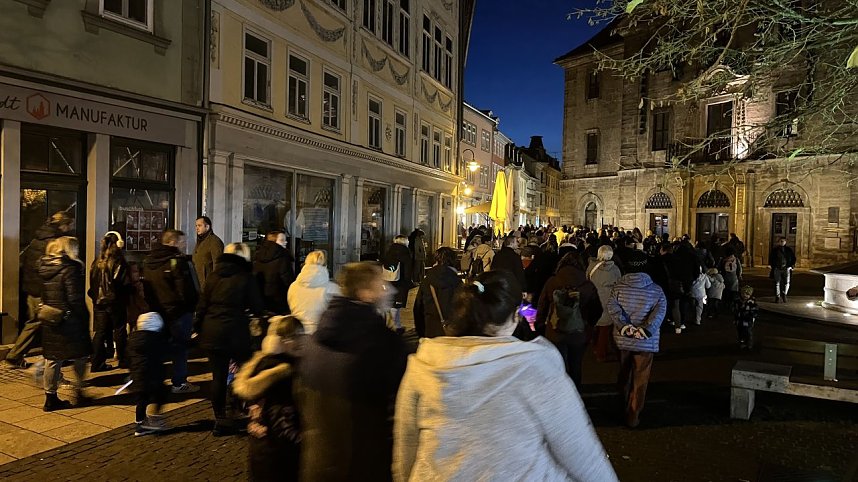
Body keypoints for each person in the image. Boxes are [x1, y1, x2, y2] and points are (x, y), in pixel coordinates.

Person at [393, 271, 618, 481]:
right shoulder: (534, 365)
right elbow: (577, 448)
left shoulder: (424, 363)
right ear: (513, 316)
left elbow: (407, 444)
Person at [297, 262, 407, 481]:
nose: (390, 290)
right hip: (365, 463)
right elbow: (399, 409)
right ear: (365, 294)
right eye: (382, 286)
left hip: (320, 464)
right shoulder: (382, 343)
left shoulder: (313, 342)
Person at [196, 243, 266, 435]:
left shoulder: (213, 276)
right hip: (235, 332)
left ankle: (220, 419)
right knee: (247, 369)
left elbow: (202, 305)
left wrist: (197, 327)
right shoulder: (245, 277)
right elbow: (257, 306)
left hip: (213, 331)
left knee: (217, 377)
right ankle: (244, 408)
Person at [233, 316, 304, 482]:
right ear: (282, 341)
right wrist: (310, 443)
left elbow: (239, 400)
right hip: (280, 456)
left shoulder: (258, 366)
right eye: (295, 337)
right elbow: (283, 422)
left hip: (259, 452)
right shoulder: (285, 374)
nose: (300, 341)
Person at [4, 212, 74, 369]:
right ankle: (58, 356)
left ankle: (15, 355)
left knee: (34, 323)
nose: (70, 229)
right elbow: (49, 268)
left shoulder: (37, 238)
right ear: (63, 225)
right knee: (53, 322)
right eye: (69, 225)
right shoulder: (54, 242)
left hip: (32, 289)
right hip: (44, 292)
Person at [606, 250, 667, 428]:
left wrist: (624, 326)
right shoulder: (656, 290)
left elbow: (613, 308)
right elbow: (659, 313)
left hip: (623, 338)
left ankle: (621, 405)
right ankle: (633, 414)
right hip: (645, 342)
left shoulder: (618, 287)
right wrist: (646, 330)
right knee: (641, 377)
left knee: (624, 372)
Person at [143, 229, 200, 394]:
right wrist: (191, 307)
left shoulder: (149, 261)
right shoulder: (177, 261)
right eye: (182, 242)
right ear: (173, 242)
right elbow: (184, 290)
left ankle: (153, 380)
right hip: (178, 313)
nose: (184, 245)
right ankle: (179, 382)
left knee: (158, 348)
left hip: (157, 312)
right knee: (180, 348)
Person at [39, 236, 92, 411]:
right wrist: (84, 317)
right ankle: (79, 391)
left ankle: (50, 397)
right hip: (70, 320)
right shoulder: (71, 269)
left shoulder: (45, 268)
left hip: (51, 317)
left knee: (53, 358)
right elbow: (74, 298)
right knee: (81, 355)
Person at [536, 252, 602, 388]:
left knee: (556, 365)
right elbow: (597, 309)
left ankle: (557, 394)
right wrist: (589, 324)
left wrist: (540, 324)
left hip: (555, 330)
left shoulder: (552, 281)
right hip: (579, 331)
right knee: (576, 365)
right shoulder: (587, 285)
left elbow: (542, 305)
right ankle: (575, 395)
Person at [89, 231, 130, 371]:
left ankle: (96, 362)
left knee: (100, 332)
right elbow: (124, 284)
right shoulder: (119, 261)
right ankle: (123, 359)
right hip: (115, 302)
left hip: (99, 303)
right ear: (119, 244)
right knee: (119, 330)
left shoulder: (97, 262)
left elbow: (93, 284)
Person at [128, 312, 170, 436]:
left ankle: (140, 423)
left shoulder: (133, 339)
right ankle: (154, 418)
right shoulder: (155, 339)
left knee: (141, 400)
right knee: (160, 395)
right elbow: (166, 351)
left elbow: (128, 358)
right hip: (152, 376)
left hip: (137, 376)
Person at [287, 250, 340, 334]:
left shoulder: (293, 286)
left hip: (297, 332)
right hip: (321, 334)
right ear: (325, 265)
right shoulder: (332, 289)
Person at [413, 247, 460, 338]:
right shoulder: (457, 282)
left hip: (431, 329)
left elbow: (418, 308)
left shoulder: (427, 280)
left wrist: (421, 332)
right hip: (452, 332)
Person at [588, 245, 623, 362]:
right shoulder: (615, 269)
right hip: (608, 300)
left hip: (594, 299)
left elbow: (586, 280)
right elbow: (619, 285)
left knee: (595, 326)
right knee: (605, 329)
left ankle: (596, 348)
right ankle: (602, 352)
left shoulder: (592, 267)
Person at [253, 231, 295, 314]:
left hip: (262, 300)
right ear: (273, 242)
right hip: (279, 301)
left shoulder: (257, 256)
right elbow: (288, 281)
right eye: (282, 240)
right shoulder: (283, 257)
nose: (286, 242)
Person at [381, 235, 413, 334]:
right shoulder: (405, 252)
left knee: (392, 301)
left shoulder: (389, 250)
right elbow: (408, 268)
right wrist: (409, 281)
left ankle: (394, 323)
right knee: (397, 303)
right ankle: (395, 325)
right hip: (400, 281)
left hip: (389, 278)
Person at [192, 215, 225, 289]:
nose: (197, 228)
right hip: (198, 283)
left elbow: (217, 263)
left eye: (199, 225)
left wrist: (214, 283)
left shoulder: (214, 242)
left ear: (207, 227)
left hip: (207, 284)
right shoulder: (200, 241)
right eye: (196, 225)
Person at [769, 237, 796, 303]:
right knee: (777, 283)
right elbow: (771, 258)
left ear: (785, 242)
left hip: (786, 268)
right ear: (779, 242)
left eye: (783, 241)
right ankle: (777, 296)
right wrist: (773, 266)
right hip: (777, 268)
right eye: (781, 241)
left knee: (787, 283)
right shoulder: (775, 250)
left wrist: (791, 266)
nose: (782, 242)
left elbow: (793, 258)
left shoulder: (788, 250)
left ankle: (784, 294)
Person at [734, 285, 758, 349]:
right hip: (739, 319)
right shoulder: (738, 301)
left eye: (747, 294)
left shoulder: (752, 302)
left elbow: (755, 311)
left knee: (748, 331)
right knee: (740, 331)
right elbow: (735, 309)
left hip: (748, 320)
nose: (745, 295)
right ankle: (742, 342)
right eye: (743, 293)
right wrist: (735, 318)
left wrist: (752, 316)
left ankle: (748, 343)